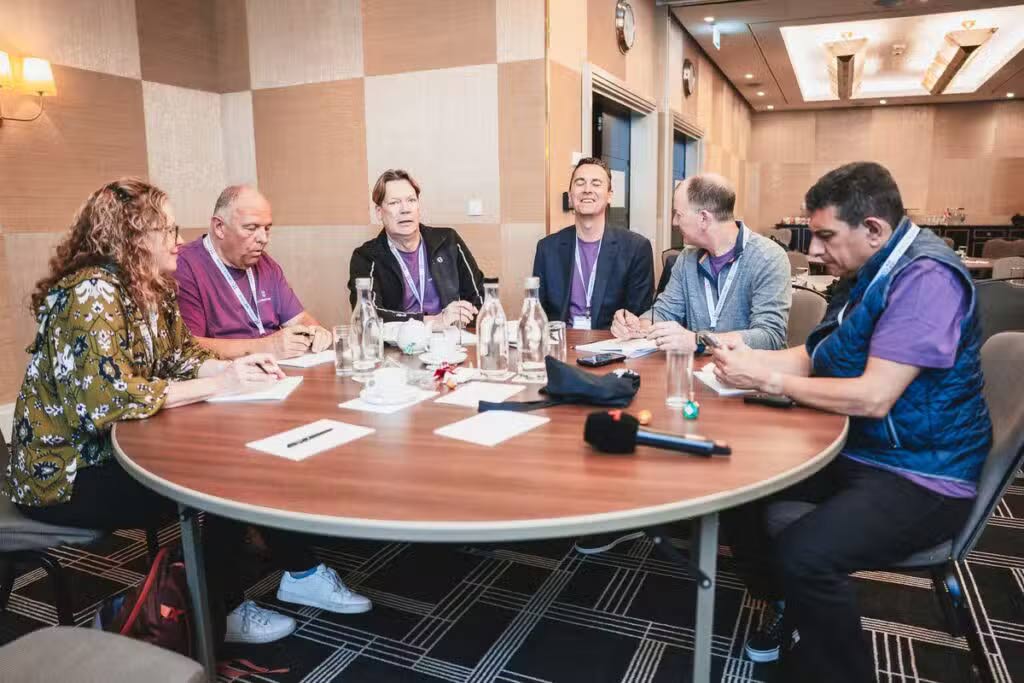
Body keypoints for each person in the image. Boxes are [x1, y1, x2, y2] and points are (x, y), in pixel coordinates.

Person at [2, 179, 369, 652]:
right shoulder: (92, 292)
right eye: (168, 230)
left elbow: (183, 355)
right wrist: (220, 385)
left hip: (114, 451)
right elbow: (108, 401)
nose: (179, 240)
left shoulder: (150, 286)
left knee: (241, 464)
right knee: (221, 482)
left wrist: (235, 369)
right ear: (133, 237)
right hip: (66, 473)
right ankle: (219, 610)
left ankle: (277, 578)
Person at [712, 162, 991, 682]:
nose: (814, 251)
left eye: (825, 236)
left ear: (874, 229)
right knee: (742, 488)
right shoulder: (872, 273)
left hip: (924, 472)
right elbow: (817, 355)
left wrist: (769, 380)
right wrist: (746, 358)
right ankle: (791, 604)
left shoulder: (926, 280)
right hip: (868, 450)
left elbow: (873, 397)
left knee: (805, 555)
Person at [609, 173, 791, 354]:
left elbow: (770, 337)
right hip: (697, 369)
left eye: (678, 214)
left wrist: (700, 341)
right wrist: (638, 325)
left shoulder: (768, 257)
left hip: (748, 370)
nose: (674, 222)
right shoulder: (686, 259)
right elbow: (664, 312)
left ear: (703, 218)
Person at [174, 185, 333, 359]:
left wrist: (315, 331)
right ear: (219, 227)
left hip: (278, 368)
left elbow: (299, 319)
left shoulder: (266, 263)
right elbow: (189, 346)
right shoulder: (184, 265)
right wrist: (267, 346)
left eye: (267, 229)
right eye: (251, 228)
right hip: (231, 371)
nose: (263, 239)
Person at [349, 169, 486, 326]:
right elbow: (366, 314)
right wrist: (433, 321)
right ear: (379, 212)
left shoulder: (447, 241)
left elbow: (480, 298)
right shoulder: (366, 257)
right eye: (394, 203)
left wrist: (462, 317)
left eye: (411, 200)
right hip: (399, 340)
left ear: (418, 206)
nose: (405, 209)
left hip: (448, 337)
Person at [532, 157, 654, 330]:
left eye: (596, 183)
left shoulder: (636, 249)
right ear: (570, 195)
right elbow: (537, 313)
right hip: (561, 342)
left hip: (613, 343)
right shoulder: (547, 248)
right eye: (580, 183)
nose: (587, 190)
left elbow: (639, 317)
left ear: (609, 195)